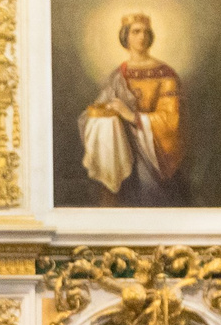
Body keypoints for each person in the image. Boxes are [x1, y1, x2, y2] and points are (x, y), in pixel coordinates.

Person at [78, 12, 185, 206]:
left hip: (152, 153)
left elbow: (171, 121)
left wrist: (132, 116)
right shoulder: (119, 75)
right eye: (135, 32)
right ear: (125, 36)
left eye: (145, 32)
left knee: (146, 196)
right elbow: (97, 110)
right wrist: (104, 114)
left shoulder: (165, 74)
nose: (141, 37)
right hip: (119, 148)